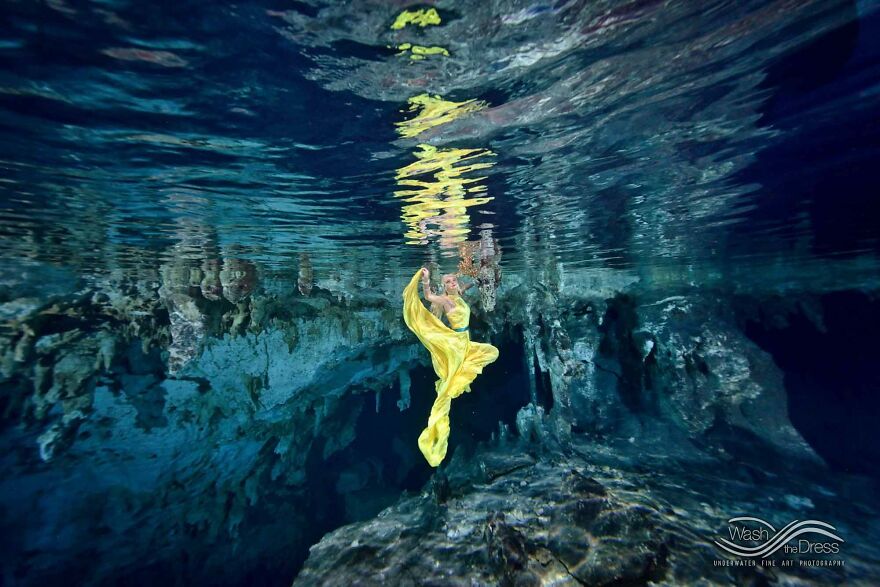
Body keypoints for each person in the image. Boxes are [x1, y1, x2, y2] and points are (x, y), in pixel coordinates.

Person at [402, 267, 500, 467]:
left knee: (492, 352)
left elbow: (469, 284)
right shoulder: (445, 300)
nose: (452, 283)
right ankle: (435, 431)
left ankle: (453, 389)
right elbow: (428, 296)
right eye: (448, 282)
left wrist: (479, 277)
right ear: (445, 287)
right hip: (455, 343)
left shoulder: (459, 293)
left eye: (453, 280)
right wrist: (426, 279)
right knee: (449, 383)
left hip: (465, 342)